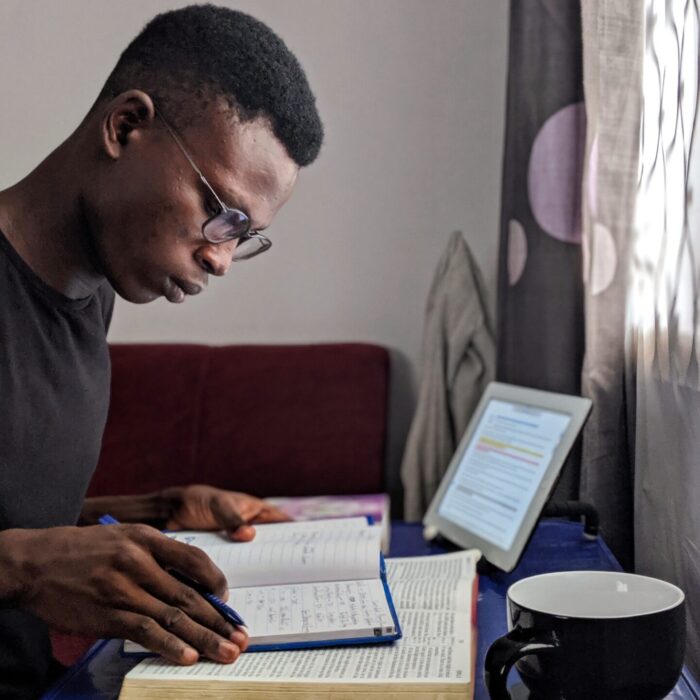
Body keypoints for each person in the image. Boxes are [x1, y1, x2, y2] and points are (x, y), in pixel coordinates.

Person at [0, 5, 323, 698]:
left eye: (246, 236)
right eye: (223, 214)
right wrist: (22, 568)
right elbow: (24, 554)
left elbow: (19, 516)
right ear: (126, 127)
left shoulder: (95, 293)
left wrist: (158, 510)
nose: (221, 258)